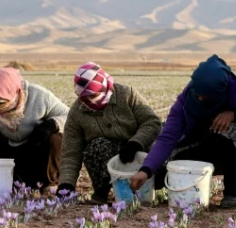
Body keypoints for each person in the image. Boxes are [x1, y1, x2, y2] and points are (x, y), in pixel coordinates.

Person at [129, 55, 236, 208]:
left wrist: (235, 115)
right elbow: (168, 137)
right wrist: (147, 169)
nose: (201, 100)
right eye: (197, 96)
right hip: (203, 142)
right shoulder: (185, 100)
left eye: (207, 97)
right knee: (173, 161)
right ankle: (165, 182)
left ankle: (232, 192)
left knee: (231, 129)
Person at [57, 63, 162, 203]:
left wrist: (136, 143)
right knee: (97, 146)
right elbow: (71, 152)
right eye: (83, 97)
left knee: (167, 149)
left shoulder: (126, 94)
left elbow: (152, 122)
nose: (88, 101)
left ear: (103, 87)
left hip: (138, 151)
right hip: (107, 156)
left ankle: (152, 186)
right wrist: (66, 184)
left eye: (92, 95)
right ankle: (102, 192)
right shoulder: (77, 112)